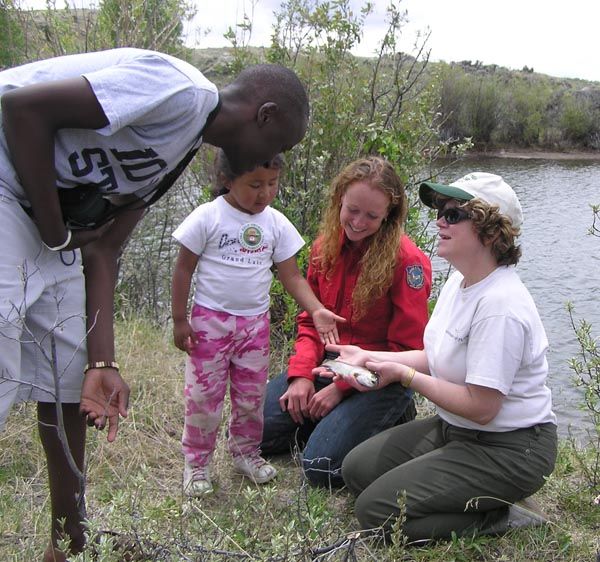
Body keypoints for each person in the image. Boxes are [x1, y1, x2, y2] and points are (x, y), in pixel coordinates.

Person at [0, 48, 309, 562]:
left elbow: (104, 248)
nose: (273, 159)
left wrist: (103, 361)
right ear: (266, 114)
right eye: (279, 143)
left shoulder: (177, 151)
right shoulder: (179, 90)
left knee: (67, 376)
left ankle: (69, 544)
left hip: (46, 216)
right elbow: (23, 110)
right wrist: (56, 233)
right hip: (14, 189)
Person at [326, 172, 558, 543]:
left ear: (491, 232)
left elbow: (482, 407)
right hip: (457, 431)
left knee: (375, 513)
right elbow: (437, 357)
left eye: (453, 214)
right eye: (439, 210)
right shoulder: (460, 281)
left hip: (510, 449)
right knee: (354, 470)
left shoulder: (501, 306)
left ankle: (503, 514)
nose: (439, 220)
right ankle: (473, 495)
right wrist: (366, 355)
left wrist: (404, 376)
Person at [171, 149, 345, 496]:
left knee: (251, 396)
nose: (264, 193)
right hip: (210, 324)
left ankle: (246, 453)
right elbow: (183, 269)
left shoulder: (275, 223)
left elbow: (292, 276)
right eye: (254, 185)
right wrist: (179, 320)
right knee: (204, 397)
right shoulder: (208, 217)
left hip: (254, 326)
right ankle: (197, 463)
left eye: (272, 183)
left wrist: (316, 310)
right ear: (226, 180)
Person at [260, 156, 432, 487]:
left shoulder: (407, 262)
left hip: (381, 379)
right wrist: (299, 377)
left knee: (320, 467)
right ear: (340, 199)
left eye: (371, 215)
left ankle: (390, 419)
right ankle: (327, 425)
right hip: (329, 365)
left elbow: (407, 349)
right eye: (352, 209)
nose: (357, 221)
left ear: (388, 216)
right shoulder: (326, 247)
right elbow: (311, 323)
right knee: (253, 436)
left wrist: (340, 390)